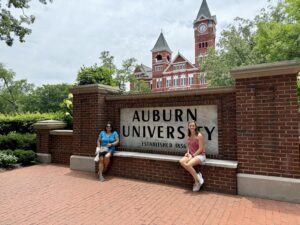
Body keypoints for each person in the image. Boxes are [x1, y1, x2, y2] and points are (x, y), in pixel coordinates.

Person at [179, 120, 206, 192]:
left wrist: (193, 155)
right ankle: (198, 177)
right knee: (181, 161)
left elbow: (200, 149)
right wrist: (187, 153)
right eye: (190, 126)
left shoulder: (199, 136)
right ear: (188, 127)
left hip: (200, 155)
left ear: (195, 126)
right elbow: (189, 146)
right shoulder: (188, 135)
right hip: (191, 154)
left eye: (193, 126)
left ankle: (197, 182)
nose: (192, 127)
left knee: (188, 164)